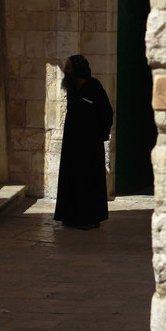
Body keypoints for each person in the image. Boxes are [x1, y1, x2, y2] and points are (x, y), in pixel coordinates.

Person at [54, 54, 114, 230]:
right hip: (72, 143)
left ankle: (89, 218)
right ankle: (69, 216)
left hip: (90, 145)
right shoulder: (72, 88)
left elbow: (106, 112)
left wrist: (99, 134)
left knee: (89, 181)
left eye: (68, 68)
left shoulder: (94, 87)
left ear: (77, 70)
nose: (65, 71)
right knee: (71, 179)